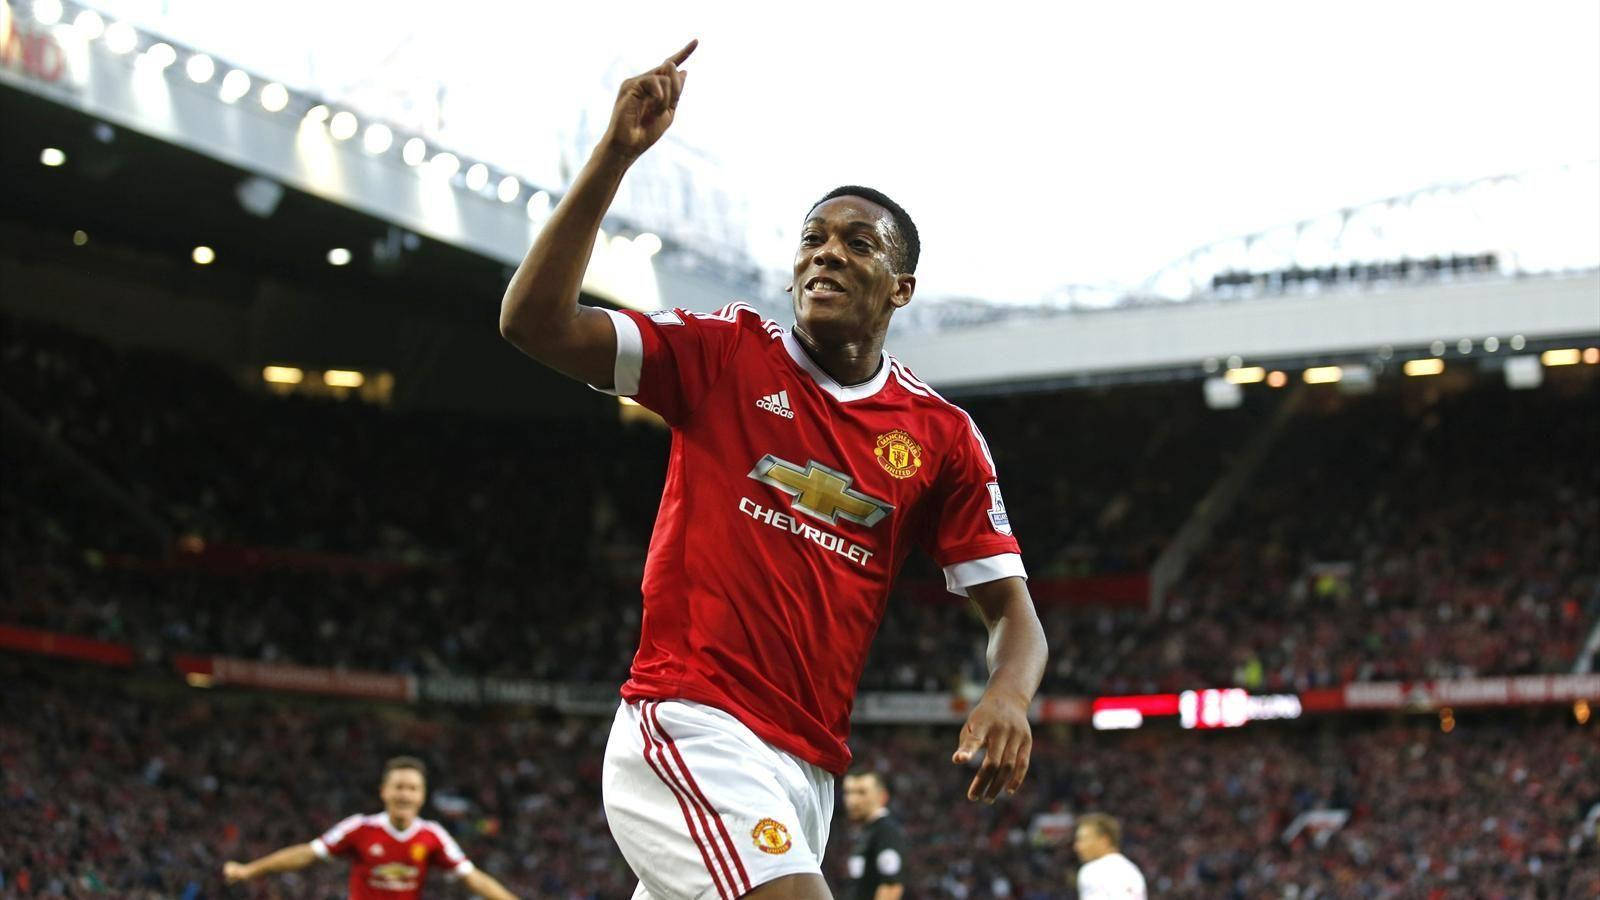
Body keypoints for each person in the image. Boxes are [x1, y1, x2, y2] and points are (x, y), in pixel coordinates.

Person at [499, 39, 1048, 900]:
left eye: (857, 243)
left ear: (900, 288)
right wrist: (615, 156)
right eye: (812, 239)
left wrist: (1008, 696)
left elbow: (1014, 614)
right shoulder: (723, 353)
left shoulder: (940, 437)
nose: (825, 253)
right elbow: (535, 324)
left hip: (808, 772)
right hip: (694, 722)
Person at [222, 756, 517, 900]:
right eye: (399, 787)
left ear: (422, 796)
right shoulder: (359, 828)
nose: (405, 795)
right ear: (383, 792)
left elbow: (472, 878)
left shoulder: (433, 835)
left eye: (412, 788)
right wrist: (249, 870)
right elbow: (308, 854)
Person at [840, 771, 906, 900]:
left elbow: (891, 886)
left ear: (882, 796)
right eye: (848, 792)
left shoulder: (885, 831)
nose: (853, 800)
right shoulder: (867, 832)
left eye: (861, 792)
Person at [1072, 813, 1146, 899]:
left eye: (1083, 840)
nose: (1077, 846)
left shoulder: (1093, 870)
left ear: (1104, 840)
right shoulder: (1132, 870)